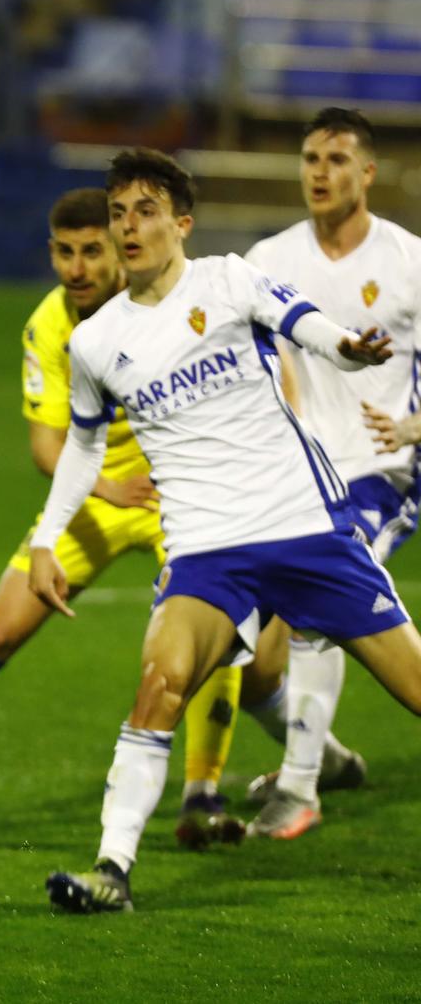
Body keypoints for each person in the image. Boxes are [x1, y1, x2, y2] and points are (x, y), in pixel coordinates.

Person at [30, 149, 420, 915]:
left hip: (305, 527)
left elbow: (307, 326)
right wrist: (48, 537)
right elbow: (79, 443)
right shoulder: (95, 342)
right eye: (117, 213)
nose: (128, 226)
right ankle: (112, 868)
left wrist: (349, 346)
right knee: (158, 688)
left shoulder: (228, 281)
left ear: (182, 222)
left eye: (144, 211)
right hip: (208, 550)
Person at [0, 188, 246, 848]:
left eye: (92, 251)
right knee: (0, 630)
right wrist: (108, 485)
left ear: (121, 248)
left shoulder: (173, 302)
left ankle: (201, 793)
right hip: (93, 497)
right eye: (65, 253)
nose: (77, 268)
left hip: (177, 499)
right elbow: (46, 448)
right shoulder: (48, 326)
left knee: (216, 628)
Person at [236, 107, 412, 836]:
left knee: (317, 612)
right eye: (310, 158)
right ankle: (327, 756)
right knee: (243, 659)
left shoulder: (410, 262)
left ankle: (300, 788)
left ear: (366, 173)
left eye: (336, 160)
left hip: (383, 472)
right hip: (295, 477)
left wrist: (416, 426)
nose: (319, 172)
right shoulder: (267, 262)